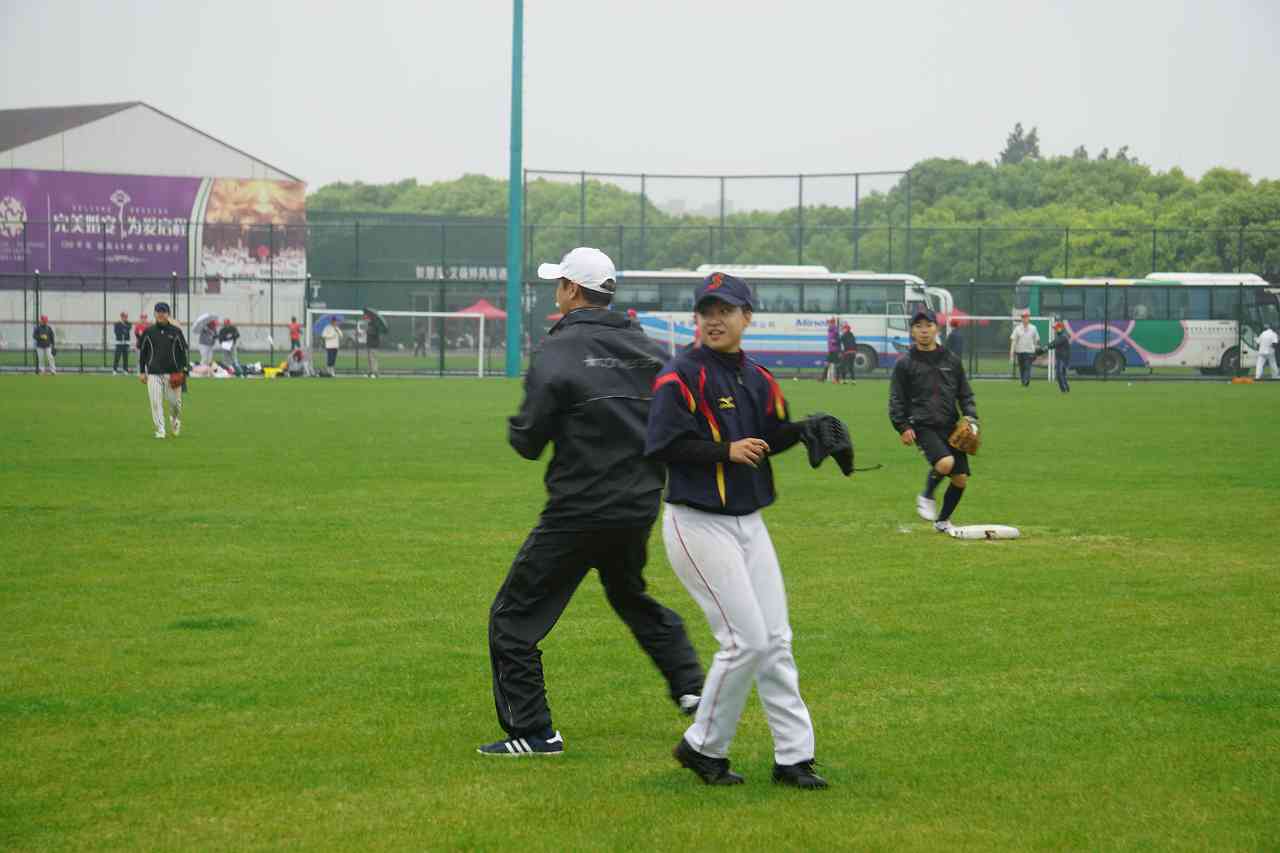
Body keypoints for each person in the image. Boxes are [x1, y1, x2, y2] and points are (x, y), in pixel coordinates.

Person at [479, 246, 704, 758]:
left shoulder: (557, 350)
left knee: (512, 619)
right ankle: (692, 684)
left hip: (579, 507)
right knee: (629, 594)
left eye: (558, 284)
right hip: (640, 503)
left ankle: (534, 732)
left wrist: (521, 427)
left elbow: (528, 440)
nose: (555, 293)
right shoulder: (650, 349)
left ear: (572, 291)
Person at [647, 271, 828, 790]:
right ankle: (702, 747)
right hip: (697, 523)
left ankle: (794, 758)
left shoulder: (758, 377)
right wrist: (725, 451)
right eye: (707, 311)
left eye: (725, 310)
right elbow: (661, 444)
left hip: (749, 521)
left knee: (775, 641)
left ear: (747, 317)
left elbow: (768, 437)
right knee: (745, 641)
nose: (715, 319)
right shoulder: (680, 375)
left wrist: (804, 431)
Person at [890, 307, 980, 534]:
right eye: (918, 326)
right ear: (912, 331)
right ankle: (927, 495)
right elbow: (896, 398)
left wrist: (970, 416)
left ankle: (942, 521)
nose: (924, 330)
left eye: (928, 325)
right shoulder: (905, 363)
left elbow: (965, 394)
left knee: (960, 479)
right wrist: (902, 426)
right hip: (922, 425)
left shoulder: (951, 360)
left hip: (950, 425)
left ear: (936, 328)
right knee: (945, 463)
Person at [137, 302, 188, 438]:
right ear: (154, 314)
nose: (160, 314)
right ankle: (160, 430)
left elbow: (182, 352)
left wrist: (184, 371)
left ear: (168, 314)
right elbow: (143, 353)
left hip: (172, 374)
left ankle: (175, 420)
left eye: (163, 312)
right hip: (154, 373)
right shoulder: (149, 331)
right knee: (155, 403)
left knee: (175, 404)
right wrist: (142, 371)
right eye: (158, 311)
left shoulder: (176, 331)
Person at [1009, 309, 1040, 387]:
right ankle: (1023, 381)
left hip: (1030, 352)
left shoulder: (1033, 328)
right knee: (1022, 368)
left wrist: (1036, 350)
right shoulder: (1017, 328)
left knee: (1027, 367)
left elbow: (1036, 340)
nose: (1024, 318)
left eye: (1026, 317)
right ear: (1021, 318)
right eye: (1023, 317)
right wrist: (1011, 352)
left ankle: (1026, 381)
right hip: (1020, 351)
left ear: (1028, 318)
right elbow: (1013, 340)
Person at [1050, 320, 1071, 393]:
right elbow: (1053, 343)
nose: (1055, 330)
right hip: (1062, 358)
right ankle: (1066, 388)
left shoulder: (1063, 336)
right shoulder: (1060, 336)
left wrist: (1048, 346)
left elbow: (1055, 343)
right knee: (1062, 374)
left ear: (1060, 328)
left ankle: (1063, 389)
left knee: (1059, 374)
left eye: (1056, 328)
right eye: (1055, 328)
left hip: (1062, 358)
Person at [362, 308, 382, 378]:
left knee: (374, 359)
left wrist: (368, 331)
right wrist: (366, 330)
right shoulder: (369, 324)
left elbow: (374, 333)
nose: (366, 319)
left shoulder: (376, 324)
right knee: (370, 359)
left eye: (367, 317)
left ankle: (375, 373)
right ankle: (370, 372)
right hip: (369, 344)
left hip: (374, 344)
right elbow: (369, 332)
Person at [823, 316, 839, 382]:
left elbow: (837, 339)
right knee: (827, 363)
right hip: (830, 350)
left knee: (835, 364)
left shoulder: (834, 329)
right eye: (828, 322)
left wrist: (834, 341)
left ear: (832, 322)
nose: (828, 323)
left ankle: (836, 379)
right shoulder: (830, 329)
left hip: (834, 350)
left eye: (829, 322)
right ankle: (823, 378)